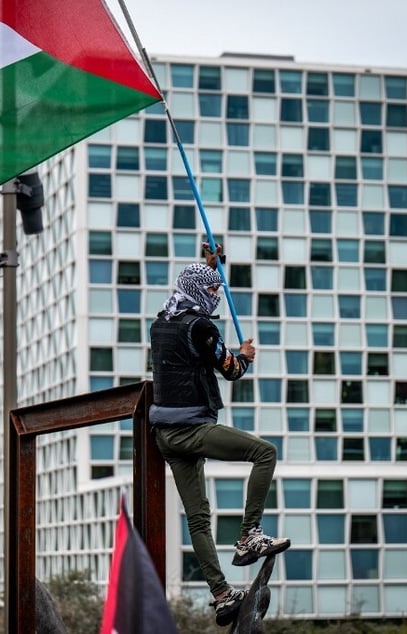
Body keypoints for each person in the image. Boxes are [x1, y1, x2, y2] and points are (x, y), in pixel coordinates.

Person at [149, 245, 290, 627]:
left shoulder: (161, 321)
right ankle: (249, 536)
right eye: (212, 293)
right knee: (265, 453)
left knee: (198, 520)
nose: (216, 298)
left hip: (165, 434)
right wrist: (244, 355)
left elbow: (194, 289)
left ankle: (222, 595)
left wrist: (211, 267)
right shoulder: (202, 327)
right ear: (199, 293)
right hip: (193, 428)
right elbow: (231, 370)